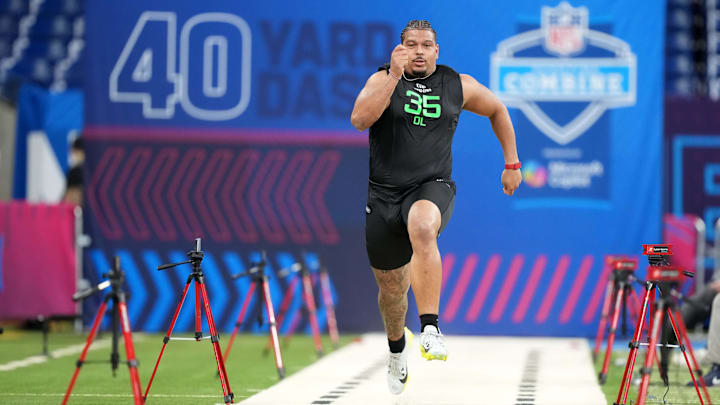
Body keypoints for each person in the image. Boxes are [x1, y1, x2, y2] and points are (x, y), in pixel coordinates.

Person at [350, 20, 522, 395]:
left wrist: (512, 163)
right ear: (399, 49)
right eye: (410, 44)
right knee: (392, 290)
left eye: (426, 45)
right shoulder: (382, 80)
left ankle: (430, 326)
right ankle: (397, 350)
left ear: (436, 50)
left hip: (432, 185)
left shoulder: (456, 84)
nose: (418, 51)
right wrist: (393, 76)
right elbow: (359, 120)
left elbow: (497, 110)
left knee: (424, 225)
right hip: (383, 196)